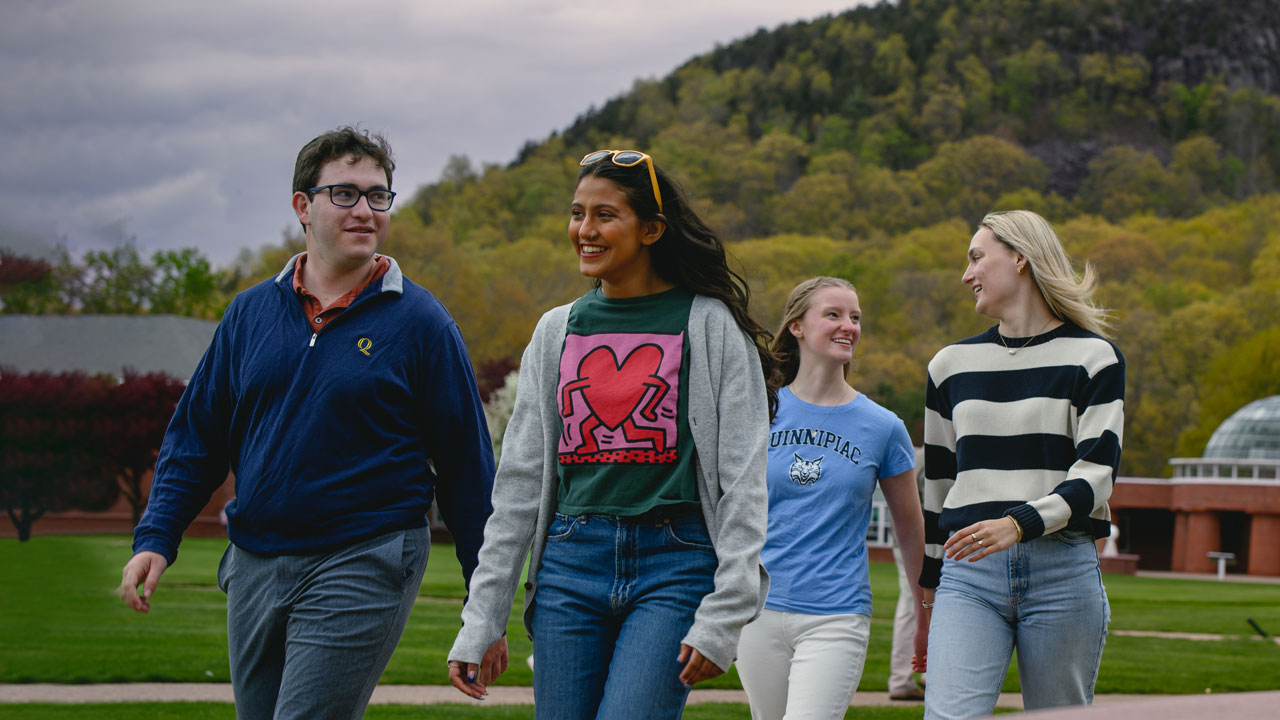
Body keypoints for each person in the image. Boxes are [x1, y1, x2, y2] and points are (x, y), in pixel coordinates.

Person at [117, 126, 499, 720]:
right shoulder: (249, 314)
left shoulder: (423, 324)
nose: (365, 209)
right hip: (254, 561)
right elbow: (198, 435)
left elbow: (467, 470)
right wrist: (157, 535)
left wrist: (486, 603)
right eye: (345, 193)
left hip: (364, 554)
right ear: (303, 206)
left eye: (379, 196)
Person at [446, 149, 775, 719]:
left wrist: (726, 611)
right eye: (577, 214)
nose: (585, 231)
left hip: (675, 563)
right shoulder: (556, 331)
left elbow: (743, 479)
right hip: (571, 562)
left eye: (605, 215)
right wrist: (482, 618)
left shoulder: (711, 325)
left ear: (651, 229)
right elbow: (520, 485)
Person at [921, 210, 1125, 719]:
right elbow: (939, 486)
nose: (966, 275)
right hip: (968, 574)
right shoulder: (949, 366)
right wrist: (928, 592)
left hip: (1064, 573)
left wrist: (1019, 523)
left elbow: (1096, 474)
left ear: (1019, 259)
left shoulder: (1095, 358)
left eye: (975, 258)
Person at [735, 276, 928, 720]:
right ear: (798, 327)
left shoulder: (883, 426)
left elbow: (910, 529)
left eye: (856, 317)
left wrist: (924, 615)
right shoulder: (758, 411)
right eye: (834, 314)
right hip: (758, 611)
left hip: (836, 614)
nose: (849, 326)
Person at [887, 446, 928, 701]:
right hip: (916, 544)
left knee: (919, 605)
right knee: (912, 605)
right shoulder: (928, 456)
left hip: (910, 541)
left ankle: (920, 674)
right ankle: (902, 680)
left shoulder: (918, 455)